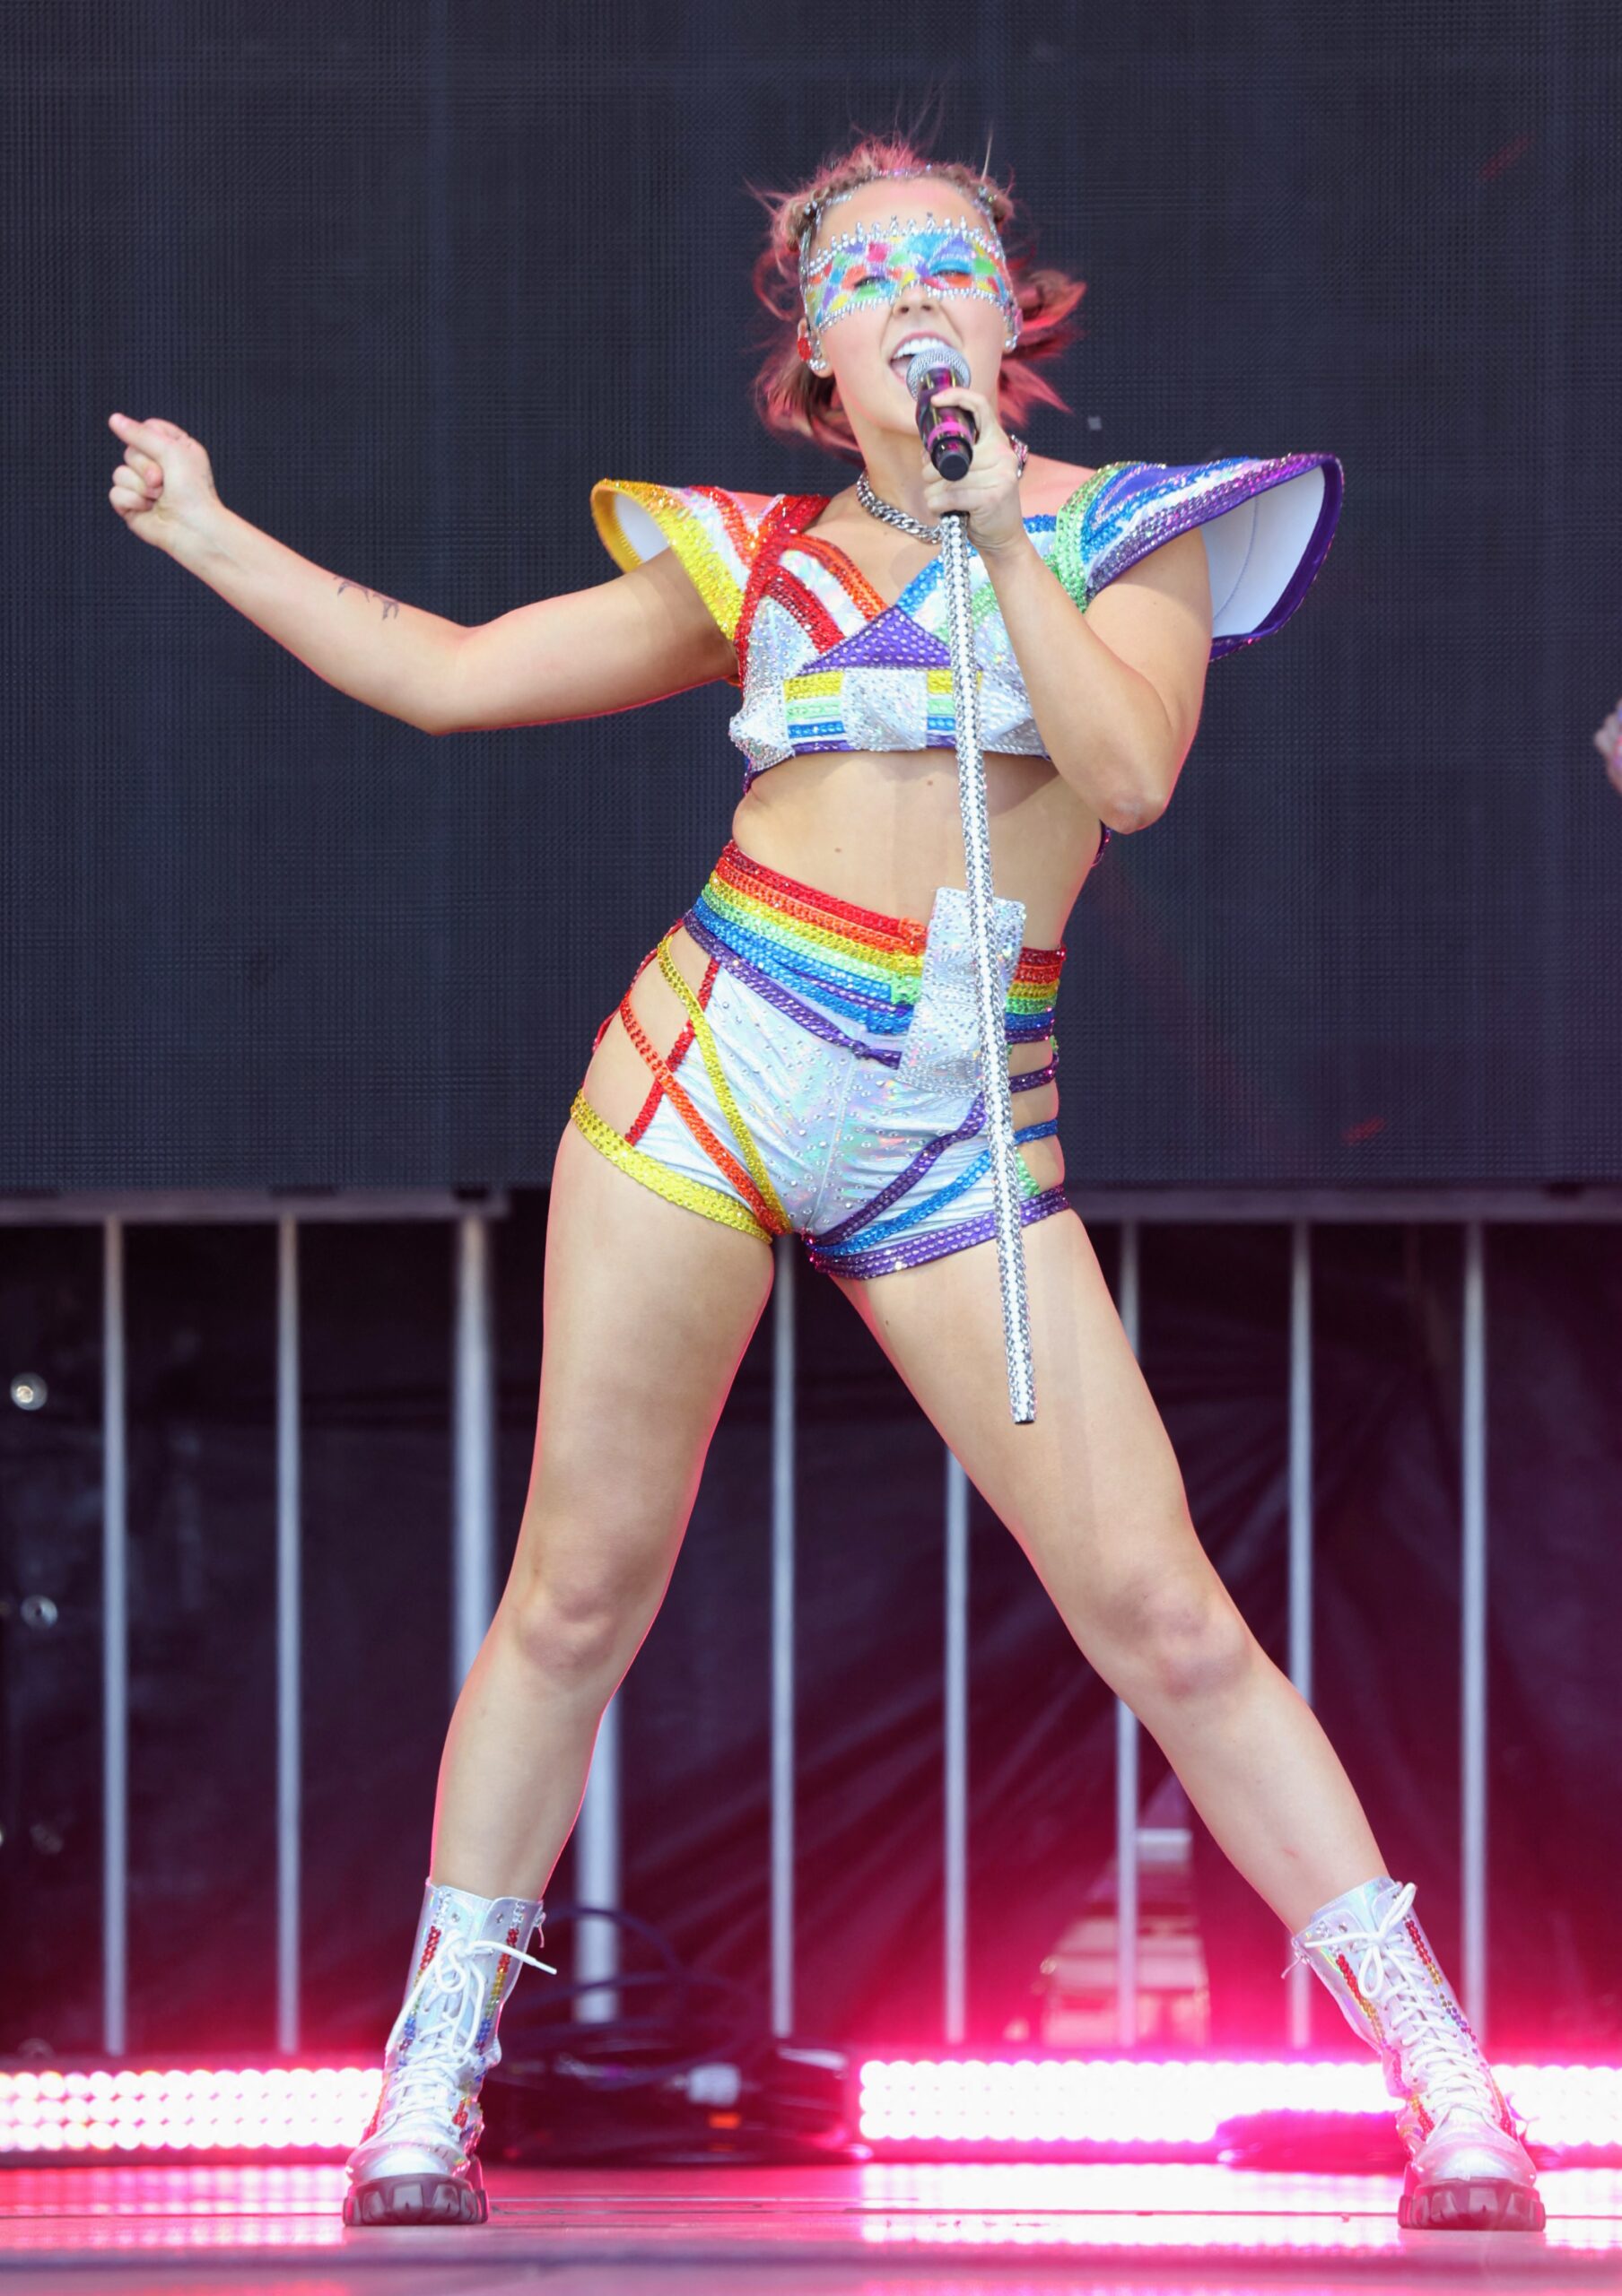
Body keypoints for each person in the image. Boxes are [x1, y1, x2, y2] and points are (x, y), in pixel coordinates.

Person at [106, 132, 1544, 2237]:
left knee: (1161, 1609)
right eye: (865, 275)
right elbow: (444, 671)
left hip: (962, 1127)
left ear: (1011, 320)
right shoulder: (758, 561)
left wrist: (994, 544)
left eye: (952, 266)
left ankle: (1443, 2079)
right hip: (710, 1067)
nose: (914, 294)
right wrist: (213, 535)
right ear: (811, 349)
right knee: (580, 1587)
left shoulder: (1130, 538)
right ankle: (430, 2078)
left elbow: (1128, 774)